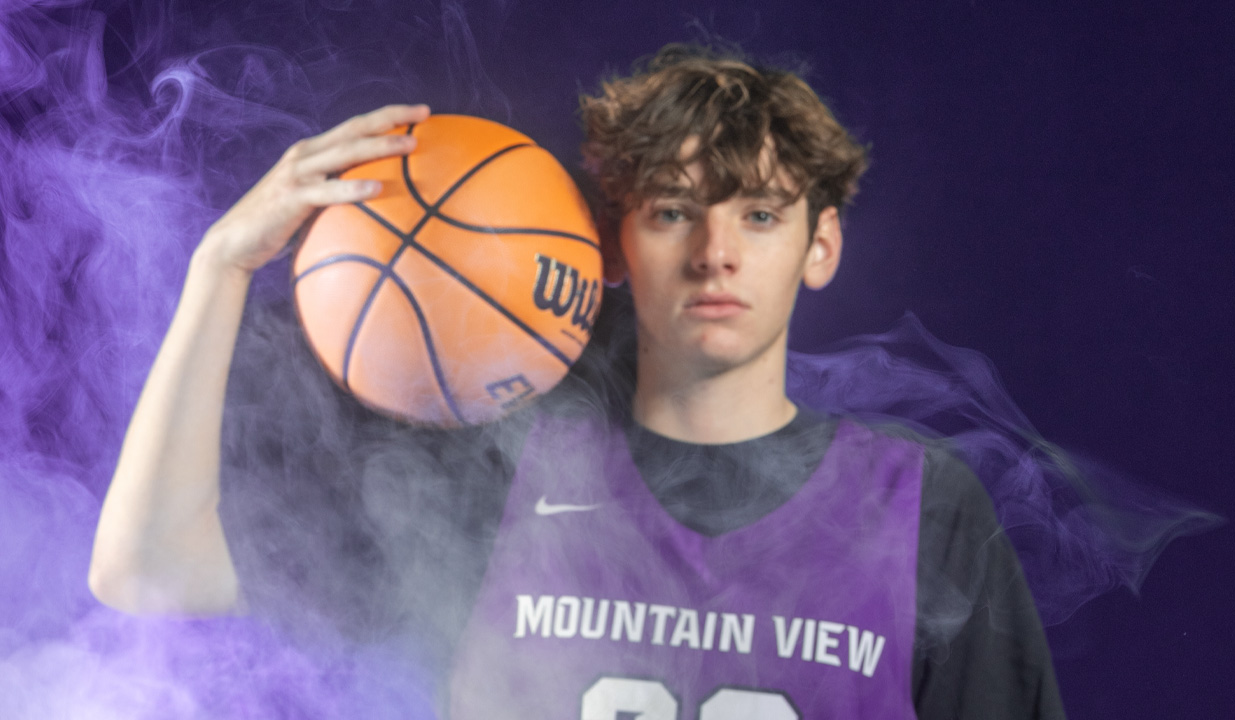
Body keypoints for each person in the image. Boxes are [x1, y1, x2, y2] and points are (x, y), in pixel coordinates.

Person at [89, 44, 1066, 719]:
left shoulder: (919, 504)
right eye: (673, 211)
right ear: (605, 244)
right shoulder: (489, 475)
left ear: (821, 247)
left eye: (760, 216)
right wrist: (218, 268)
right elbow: (143, 569)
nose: (715, 253)